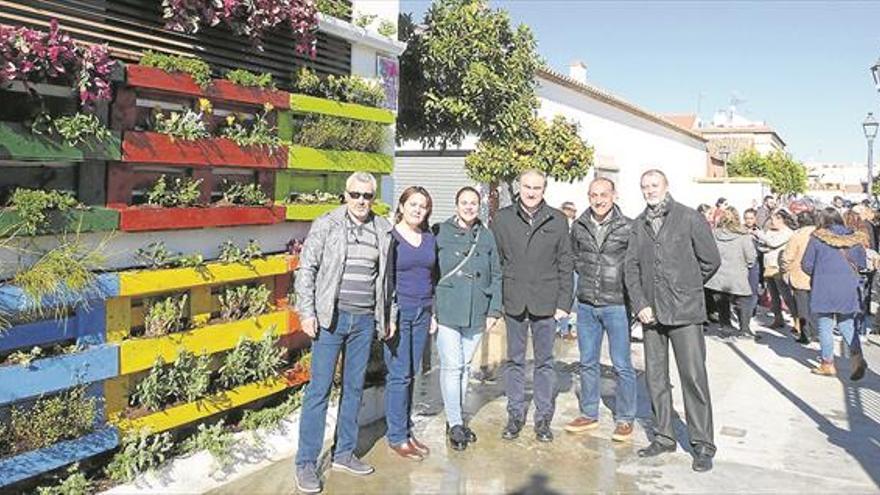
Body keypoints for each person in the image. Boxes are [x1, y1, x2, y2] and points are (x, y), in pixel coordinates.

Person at [293, 172, 392, 494]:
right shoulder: (327, 224)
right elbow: (306, 268)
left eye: (367, 196)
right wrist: (306, 312)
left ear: (373, 198)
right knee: (319, 391)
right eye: (355, 194)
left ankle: (344, 452)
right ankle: (306, 462)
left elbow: (385, 279)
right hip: (330, 320)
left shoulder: (382, 229)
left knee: (353, 389)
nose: (361, 201)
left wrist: (384, 316)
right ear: (345, 195)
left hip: (364, 321)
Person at [625, 169, 720, 473]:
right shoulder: (638, 224)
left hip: (685, 312)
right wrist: (640, 304)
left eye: (654, 185)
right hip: (651, 315)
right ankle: (664, 435)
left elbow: (711, 260)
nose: (649, 190)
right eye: (645, 186)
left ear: (666, 186)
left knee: (693, 377)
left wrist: (686, 288)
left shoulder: (689, 217)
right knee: (655, 377)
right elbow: (631, 268)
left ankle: (702, 444)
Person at [491, 169, 574, 443]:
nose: (530, 192)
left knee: (544, 362)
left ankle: (542, 419)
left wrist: (564, 302)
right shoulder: (502, 219)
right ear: (519, 187)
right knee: (514, 361)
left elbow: (566, 263)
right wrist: (497, 301)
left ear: (544, 189)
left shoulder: (558, 220)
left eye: (536, 187)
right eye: (527, 186)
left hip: (546, 302)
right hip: (514, 300)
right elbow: (497, 263)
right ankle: (515, 415)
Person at [563, 177, 637, 442]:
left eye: (604, 194)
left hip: (616, 304)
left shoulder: (629, 226)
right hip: (586, 305)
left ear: (614, 195)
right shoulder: (579, 226)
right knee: (587, 361)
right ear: (588, 196)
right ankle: (589, 412)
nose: (599, 199)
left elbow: (635, 265)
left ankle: (626, 418)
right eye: (594, 194)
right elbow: (572, 258)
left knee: (621, 364)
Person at [432, 186, 502, 451]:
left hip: (477, 311)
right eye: (464, 202)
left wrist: (494, 310)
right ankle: (455, 422)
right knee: (451, 366)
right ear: (456, 204)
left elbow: (497, 274)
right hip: (448, 309)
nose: (469, 207)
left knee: (463, 367)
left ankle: (455, 419)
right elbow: (429, 271)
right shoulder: (440, 231)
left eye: (473, 203)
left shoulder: (486, 236)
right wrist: (431, 309)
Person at [384, 186, 436, 461]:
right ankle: (396, 436)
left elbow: (433, 277)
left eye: (423, 206)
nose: (418, 209)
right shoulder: (390, 238)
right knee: (398, 374)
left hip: (423, 311)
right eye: (413, 204)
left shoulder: (428, 238)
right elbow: (384, 279)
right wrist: (387, 317)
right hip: (399, 313)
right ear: (402, 206)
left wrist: (433, 314)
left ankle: (406, 430)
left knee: (411, 374)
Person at [801, 207, 869, 381]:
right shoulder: (854, 238)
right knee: (847, 324)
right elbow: (861, 264)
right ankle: (857, 358)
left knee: (825, 325)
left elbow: (806, 265)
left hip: (824, 287)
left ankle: (827, 363)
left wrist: (821, 272)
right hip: (847, 287)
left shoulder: (817, 239)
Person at [705, 207, 758, 340]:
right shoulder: (743, 235)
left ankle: (726, 326)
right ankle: (744, 329)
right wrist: (749, 265)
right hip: (738, 274)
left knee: (722, 302)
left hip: (718, 275)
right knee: (744, 300)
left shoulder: (713, 234)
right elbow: (751, 256)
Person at [754, 209, 797, 330]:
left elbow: (773, 243)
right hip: (768, 265)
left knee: (786, 295)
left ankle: (796, 319)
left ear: (781, 219)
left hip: (779, 267)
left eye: (773, 219)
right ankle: (778, 318)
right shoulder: (769, 231)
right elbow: (762, 245)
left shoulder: (788, 232)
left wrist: (760, 235)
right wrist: (764, 244)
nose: (771, 222)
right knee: (773, 295)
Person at [781, 210, 817, 343]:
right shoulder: (820, 234)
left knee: (802, 307)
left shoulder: (797, 236)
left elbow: (787, 257)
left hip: (799, 275)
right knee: (815, 306)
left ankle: (805, 334)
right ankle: (816, 332)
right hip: (817, 275)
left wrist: (786, 271)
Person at [556, 201, 579, 340]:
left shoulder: (575, 228)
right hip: (561, 267)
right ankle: (562, 328)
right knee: (565, 297)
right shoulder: (558, 227)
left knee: (572, 299)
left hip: (574, 267)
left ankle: (569, 327)